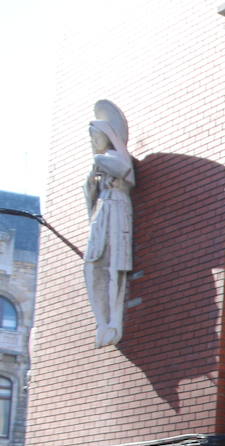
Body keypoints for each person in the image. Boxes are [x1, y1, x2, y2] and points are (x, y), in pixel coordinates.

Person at [84, 99, 135, 348]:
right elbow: (89, 195)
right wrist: (91, 184)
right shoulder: (100, 162)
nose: (94, 143)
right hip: (101, 214)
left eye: (96, 137)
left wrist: (99, 161)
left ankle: (114, 321)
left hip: (116, 210)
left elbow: (125, 170)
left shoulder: (114, 157)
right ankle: (102, 321)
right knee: (93, 265)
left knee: (116, 265)